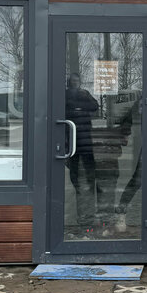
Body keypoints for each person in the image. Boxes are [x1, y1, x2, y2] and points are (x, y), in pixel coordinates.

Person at [65, 73, 98, 228]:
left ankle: (91, 184)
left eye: (77, 80)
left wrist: (80, 106)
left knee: (89, 163)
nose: (75, 83)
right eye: (73, 81)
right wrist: (79, 108)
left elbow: (95, 106)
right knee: (73, 162)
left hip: (85, 134)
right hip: (71, 135)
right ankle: (76, 185)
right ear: (69, 82)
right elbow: (65, 110)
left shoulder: (85, 93)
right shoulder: (65, 94)